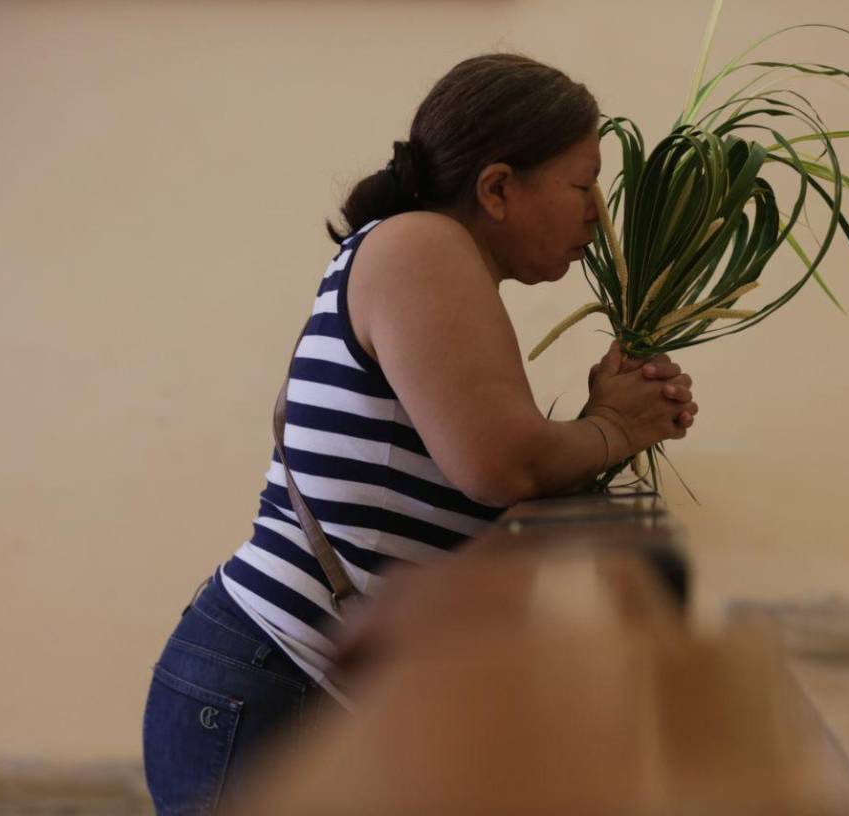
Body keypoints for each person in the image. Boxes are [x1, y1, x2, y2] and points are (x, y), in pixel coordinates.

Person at [141, 52, 698, 815]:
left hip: (298, 689)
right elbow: (500, 465)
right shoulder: (420, 247)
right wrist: (612, 426)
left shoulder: (428, 255)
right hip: (276, 686)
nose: (599, 212)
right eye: (582, 183)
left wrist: (610, 422)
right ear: (498, 187)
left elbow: (490, 471)